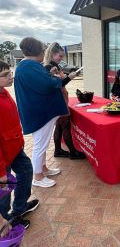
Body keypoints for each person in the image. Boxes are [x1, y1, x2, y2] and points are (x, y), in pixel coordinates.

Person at [14, 37, 68, 188]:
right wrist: (57, 77)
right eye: (43, 50)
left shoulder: (29, 66)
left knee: (43, 144)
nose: (44, 52)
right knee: (40, 145)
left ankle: (43, 169)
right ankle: (38, 177)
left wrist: (51, 75)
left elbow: (43, 81)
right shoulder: (29, 66)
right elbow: (47, 85)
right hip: (40, 113)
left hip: (40, 112)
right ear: (36, 51)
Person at [0, 60, 39, 229]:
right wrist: (1, 170)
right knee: (4, 190)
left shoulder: (4, 92)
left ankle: (19, 208)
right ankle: (5, 221)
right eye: (6, 74)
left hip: (14, 148)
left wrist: (20, 141)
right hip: (3, 156)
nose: (11, 76)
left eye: (10, 72)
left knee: (26, 170)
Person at [43, 42, 85, 160]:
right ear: (52, 54)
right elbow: (58, 85)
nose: (61, 59)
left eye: (62, 56)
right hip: (59, 102)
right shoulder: (49, 68)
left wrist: (68, 77)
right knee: (65, 127)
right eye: (60, 56)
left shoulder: (55, 66)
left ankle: (58, 150)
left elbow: (60, 83)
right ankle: (73, 152)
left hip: (60, 100)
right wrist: (69, 77)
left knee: (60, 127)